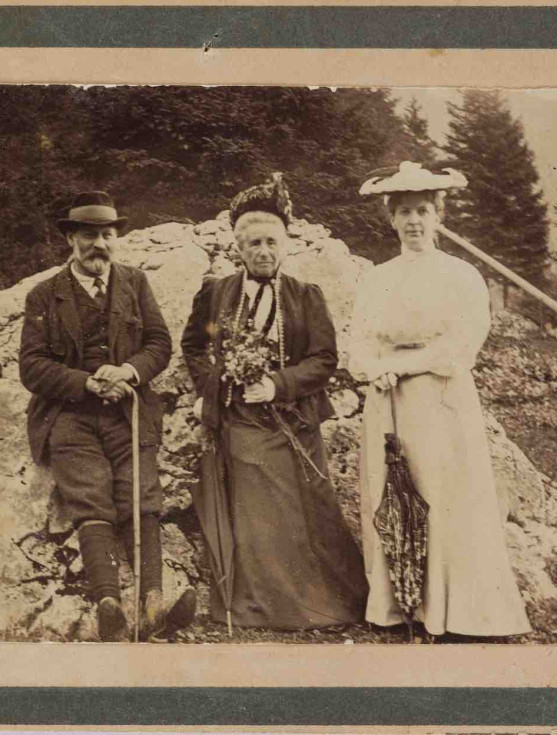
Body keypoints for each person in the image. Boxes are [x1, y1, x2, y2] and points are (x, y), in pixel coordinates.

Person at [348, 161, 531, 637]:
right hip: (388, 402)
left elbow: (460, 346)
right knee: (394, 496)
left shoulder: (460, 274)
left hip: (440, 400)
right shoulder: (376, 277)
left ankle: (456, 612)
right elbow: (359, 342)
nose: (414, 221)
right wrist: (374, 368)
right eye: (404, 211)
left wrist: (401, 365)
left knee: (444, 497)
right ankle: (399, 606)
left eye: (423, 210)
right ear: (391, 218)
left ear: (438, 216)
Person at [181, 174, 368, 630]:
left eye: (271, 242)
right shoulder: (217, 293)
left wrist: (278, 384)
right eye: (253, 244)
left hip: (296, 420)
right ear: (239, 249)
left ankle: (332, 600)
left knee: (315, 507)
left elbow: (324, 359)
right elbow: (193, 346)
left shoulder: (305, 297)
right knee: (260, 515)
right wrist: (218, 383)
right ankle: (270, 606)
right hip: (241, 422)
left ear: (284, 245)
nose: (263, 251)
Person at [19, 190, 195, 642]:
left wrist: (130, 371)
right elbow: (32, 366)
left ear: (117, 237)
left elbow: (159, 344)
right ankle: (107, 604)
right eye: (89, 236)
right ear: (71, 241)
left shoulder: (135, 283)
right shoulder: (44, 295)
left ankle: (155, 603)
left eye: (107, 235)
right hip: (69, 416)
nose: (100, 244)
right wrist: (86, 382)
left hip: (129, 411)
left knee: (141, 494)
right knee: (90, 498)